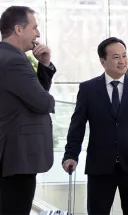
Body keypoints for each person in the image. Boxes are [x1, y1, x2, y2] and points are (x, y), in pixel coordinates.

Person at [62, 37, 128, 215]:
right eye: (116, 57)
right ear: (102, 61)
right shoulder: (88, 89)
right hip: (100, 166)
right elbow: (77, 125)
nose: (122, 61)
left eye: (124, 56)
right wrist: (70, 155)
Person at [0, 6, 57, 214]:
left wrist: (44, 65)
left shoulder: (8, 57)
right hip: (17, 158)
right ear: (18, 29)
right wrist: (50, 100)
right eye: (34, 28)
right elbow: (43, 102)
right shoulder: (14, 61)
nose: (38, 34)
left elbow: (32, 97)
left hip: (12, 157)